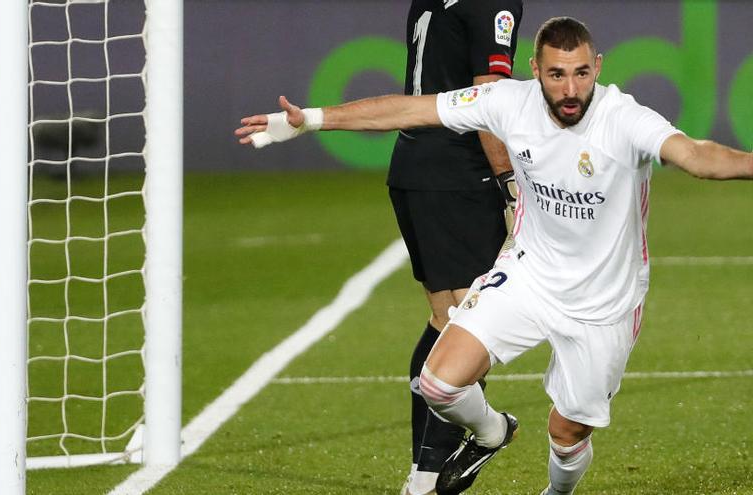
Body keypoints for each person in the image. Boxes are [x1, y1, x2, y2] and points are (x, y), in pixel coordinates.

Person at [235, 16, 752, 495]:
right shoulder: (509, 101)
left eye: (579, 74)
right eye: (555, 75)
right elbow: (412, 109)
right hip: (528, 274)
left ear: (598, 67)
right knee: (436, 383)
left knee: (567, 431)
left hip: (604, 303)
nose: (569, 90)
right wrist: (313, 120)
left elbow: (697, 156)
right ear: (535, 70)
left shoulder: (624, 118)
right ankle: (491, 432)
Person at [387, 2, 522, 494]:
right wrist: (508, 180)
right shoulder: (494, 3)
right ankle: (484, 434)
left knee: (445, 320)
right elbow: (486, 96)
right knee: (468, 326)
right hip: (457, 174)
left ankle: (422, 475)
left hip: (412, 168)